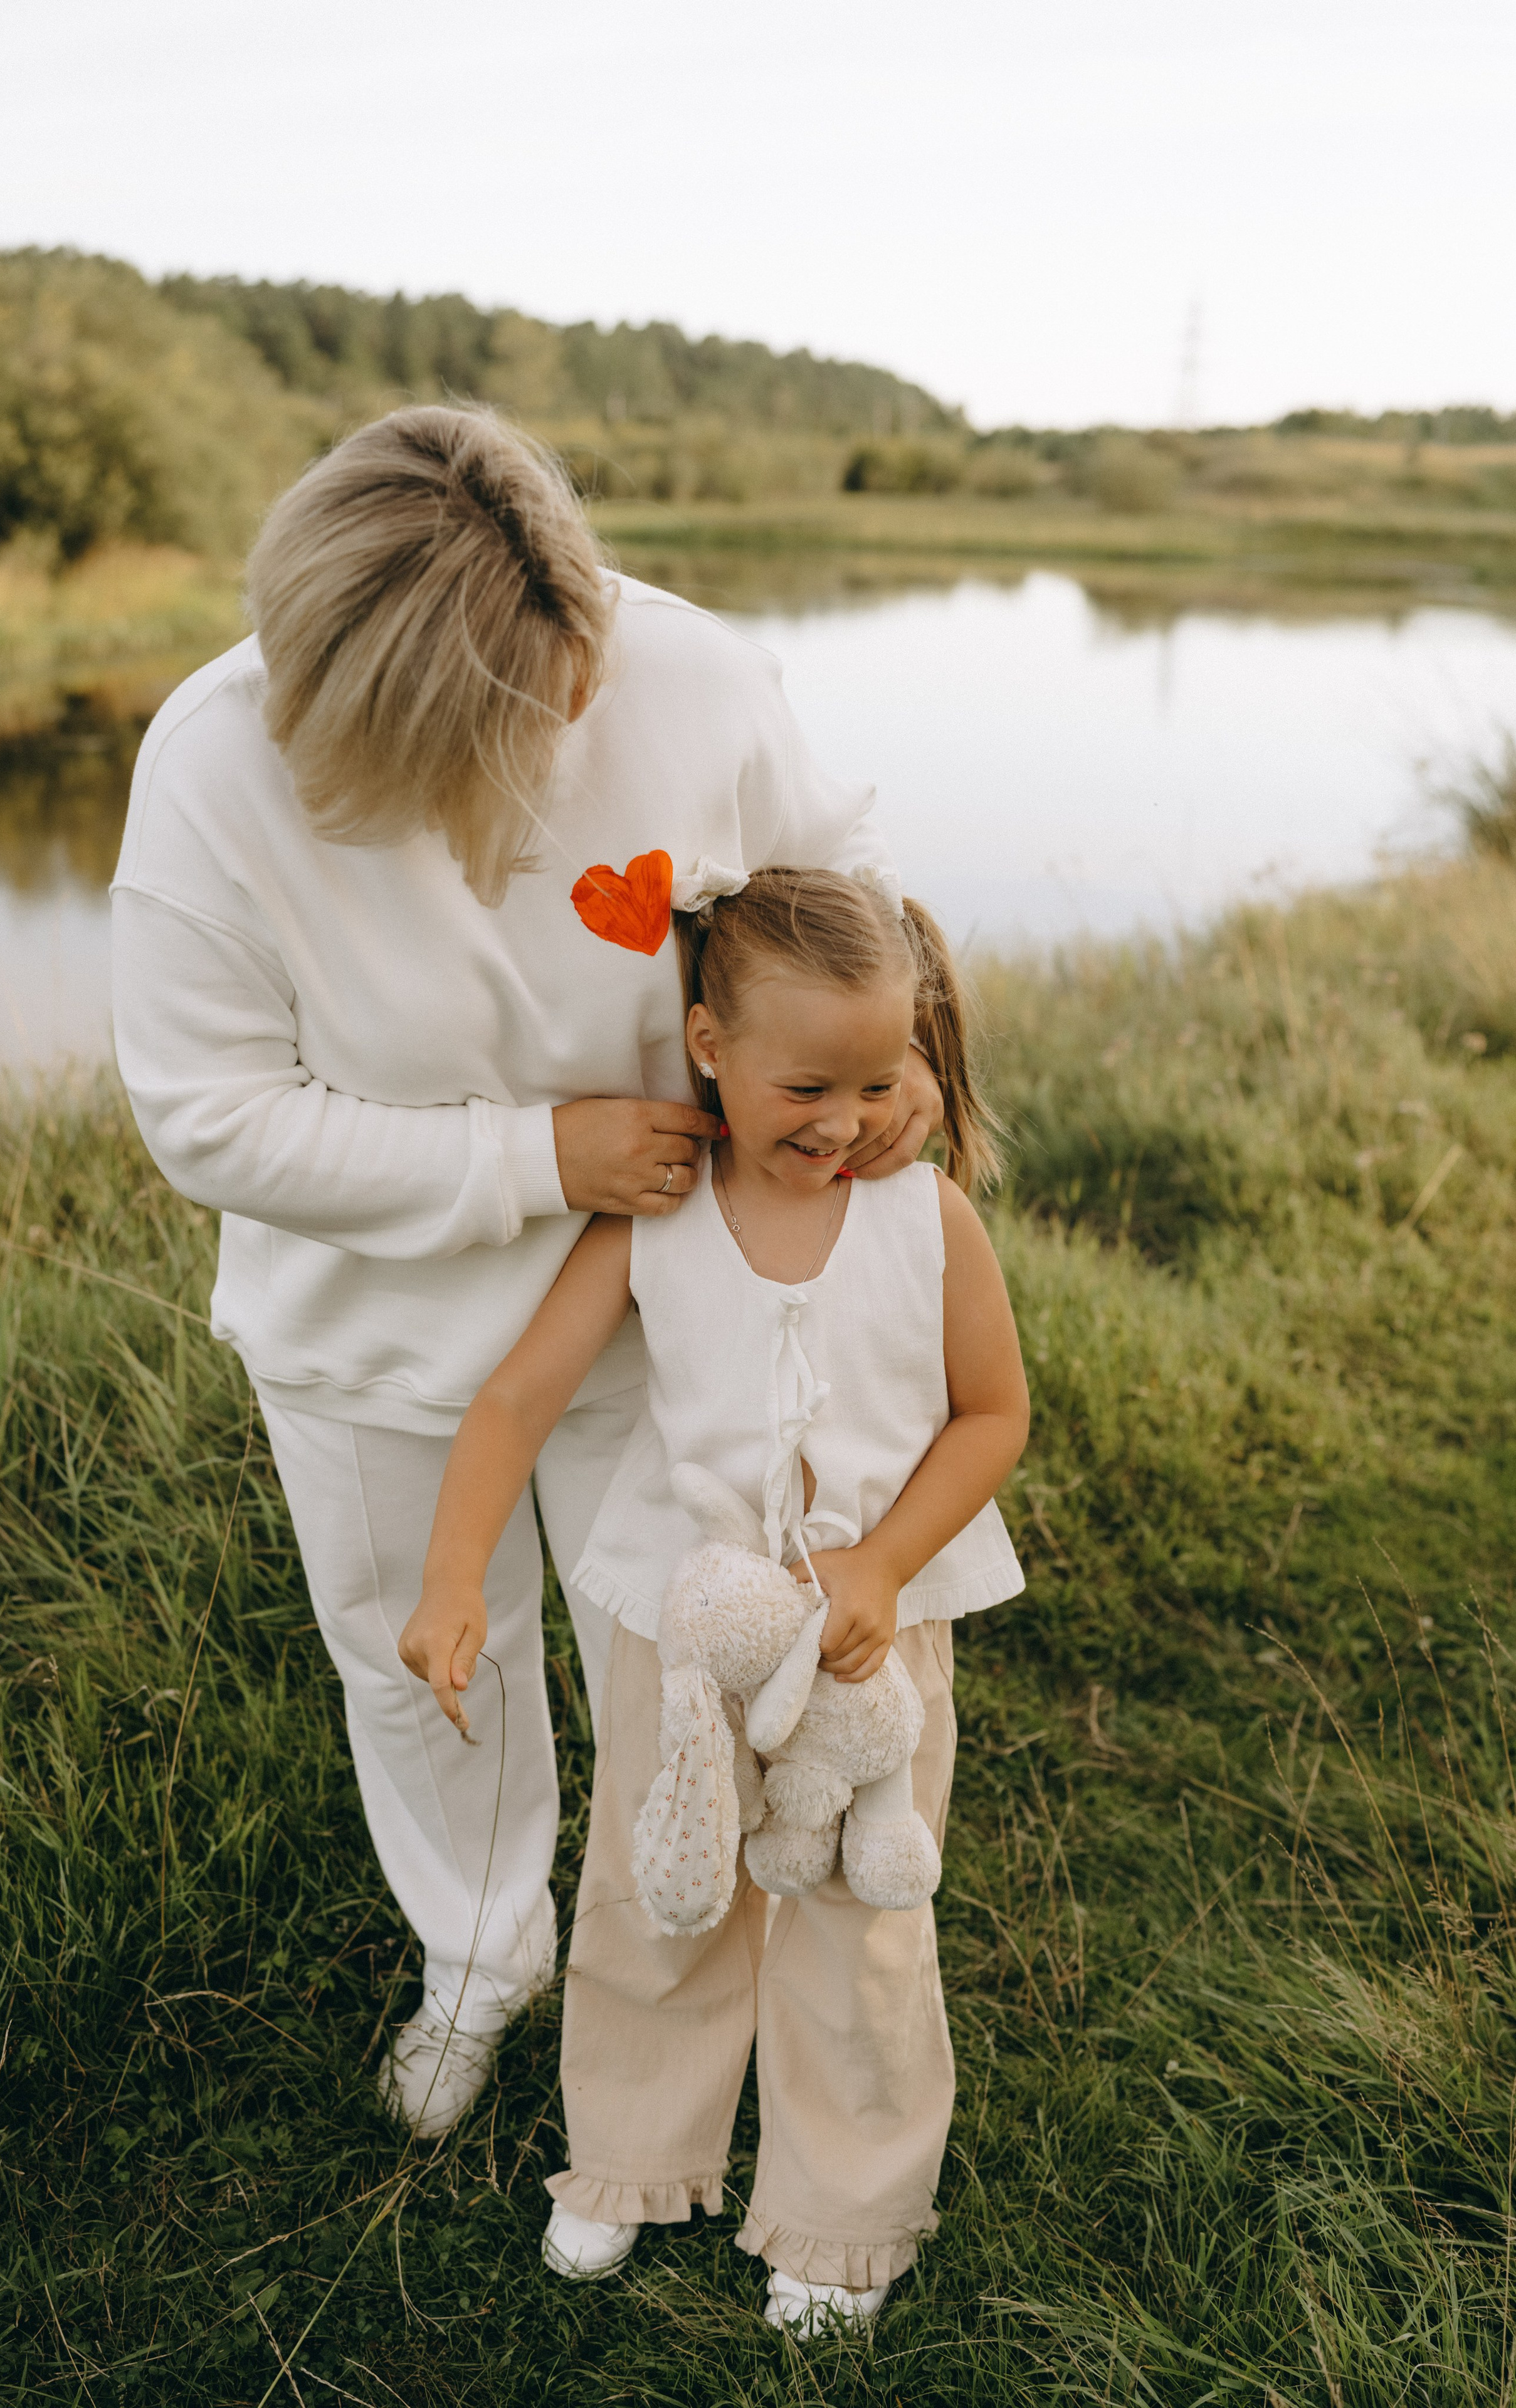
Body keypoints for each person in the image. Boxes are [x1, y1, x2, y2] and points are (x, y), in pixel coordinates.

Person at [110, 406, 947, 2136]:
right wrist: (530, 1161)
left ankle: (686, 1978)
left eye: (584, 675)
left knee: (677, 1650)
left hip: (670, 1317)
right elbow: (207, 1117)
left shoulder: (689, 678)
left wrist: (904, 1056)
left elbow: (842, 892)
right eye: (539, 714)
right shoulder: (212, 769)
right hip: (368, 1342)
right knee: (423, 1659)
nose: (587, 719)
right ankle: (480, 1959)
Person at [401, 867, 1030, 2333]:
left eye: (882, 1080)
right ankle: (631, 2155)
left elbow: (991, 1417)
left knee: (853, 1907)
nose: (845, 1121)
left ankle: (843, 2207)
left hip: (873, 1640)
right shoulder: (653, 1222)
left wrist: (877, 1563)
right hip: (684, 1629)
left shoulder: (927, 1221)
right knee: (651, 1887)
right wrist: (448, 1587)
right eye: (805, 1084)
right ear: (705, 1052)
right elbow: (514, 1402)